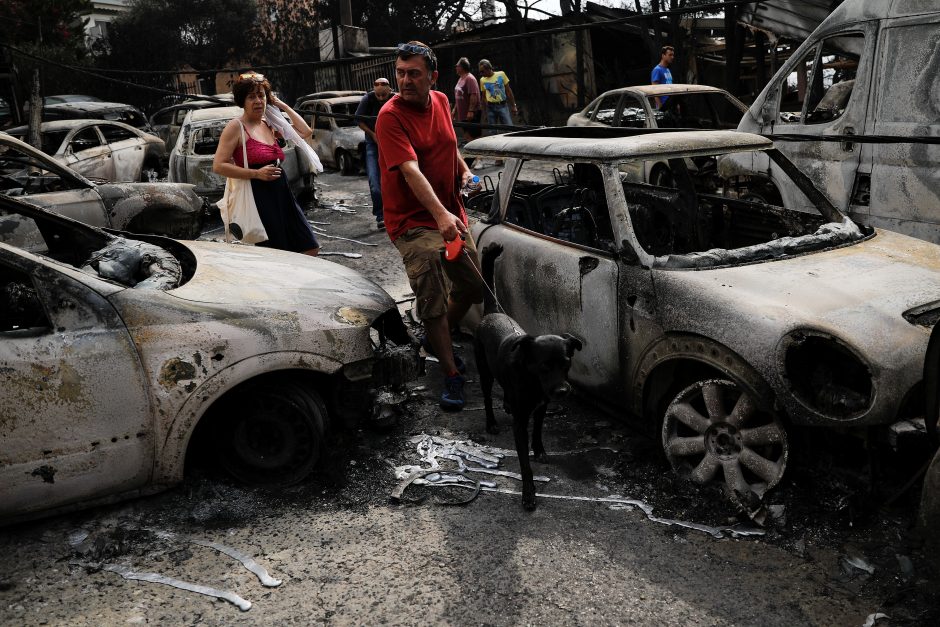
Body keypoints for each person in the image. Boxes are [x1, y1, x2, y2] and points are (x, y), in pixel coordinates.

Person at [375, 41, 484, 411]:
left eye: (413, 74)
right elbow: (410, 169)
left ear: (432, 76)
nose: (404, 81)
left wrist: (464, 171)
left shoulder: (439, 101)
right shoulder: (390, 116)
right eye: (400, 73)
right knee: (432, 296)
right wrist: (439, 214)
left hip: (450, 213)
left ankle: (436, 339)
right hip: (413, 222)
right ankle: (451, 373)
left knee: (473, 286)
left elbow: (448, 145)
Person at [213, 72, 320, 255]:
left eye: (261, 96)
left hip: (283, 193)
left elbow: (305, 131)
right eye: (251, 97)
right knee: (277, 253)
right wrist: (256, 174)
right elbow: (219, 165)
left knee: (309, 247)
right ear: (242, 101)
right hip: (258, 196)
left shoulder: (269, 124)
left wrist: (281, 104)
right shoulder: (236, 127)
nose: (258, 101)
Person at [356, 77, 394, 230]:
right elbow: (359, 120)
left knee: (395, 180)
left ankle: (396, 214)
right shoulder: (367, 99)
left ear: (389, 89)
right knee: (374, 183)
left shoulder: (395, 98)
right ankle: (380, 215)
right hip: (373, 144)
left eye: (383, 95)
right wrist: (372, 134)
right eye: (377, 95)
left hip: (392, 144)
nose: (380, 98)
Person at [478, 59, 517, 132]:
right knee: (492, 132)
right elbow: (483, 97)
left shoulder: (501, 74)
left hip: (502, 105)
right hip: (490, 107)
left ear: (489, 69)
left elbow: (508, 91)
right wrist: (485, 113)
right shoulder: (482, 80)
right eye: (480, 72)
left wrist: (513, 106)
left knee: (509, 128)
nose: (481, 73)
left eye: (482, 71)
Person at [453, 57, 482, 143]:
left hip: (471, 113)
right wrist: (454, 110)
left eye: (457, 66)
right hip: (463, 113)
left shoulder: (470, 78)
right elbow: (458, 95)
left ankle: (477, 153)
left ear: (462, 67)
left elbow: (473, 95)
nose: (456, 67)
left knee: (474, 136)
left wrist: (471, 111)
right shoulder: (461, 78)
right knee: (467, 134)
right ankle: (471, 153)